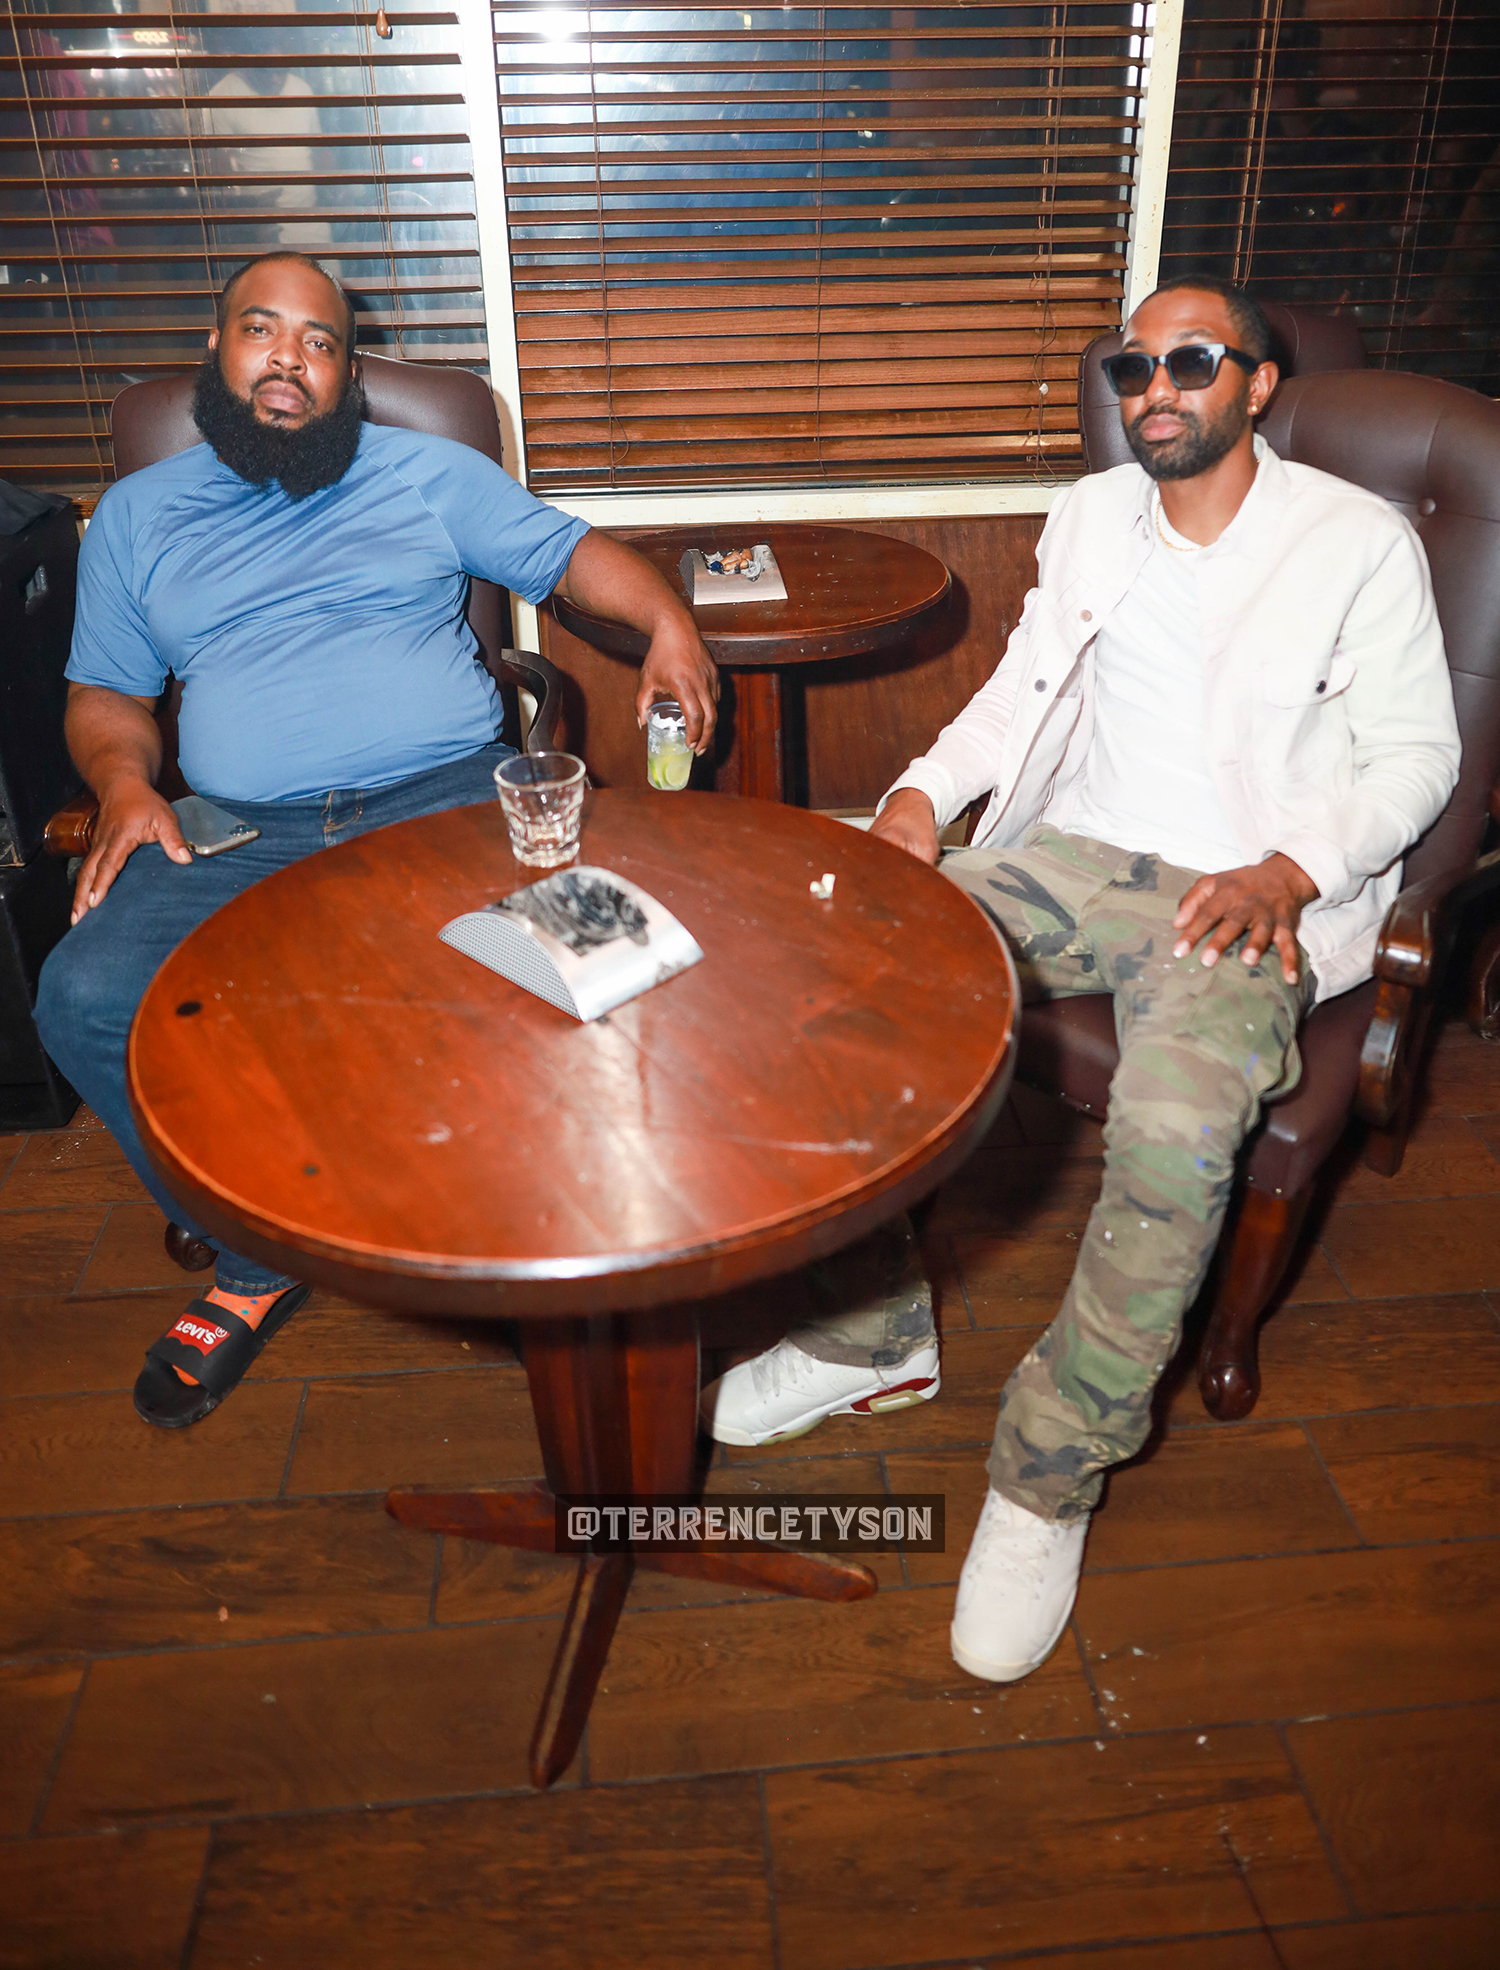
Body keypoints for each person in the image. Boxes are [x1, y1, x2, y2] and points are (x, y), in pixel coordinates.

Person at [702, 275, 1460, 1684]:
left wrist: (1294, 868)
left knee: (1174, 1134)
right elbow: (1021, 686)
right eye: (1134, 367)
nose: (1156, 389)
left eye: (1191, 362)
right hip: (1071, 853)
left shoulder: (1356, 543)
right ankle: (870, 1337)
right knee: (831, 982)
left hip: (1242, 895)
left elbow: (1420, 756)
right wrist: (921, 795)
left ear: (1258, 386)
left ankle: (1048, 1478)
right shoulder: (1094, 514)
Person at [36, 252, 718, 1431]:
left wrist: (668, 624)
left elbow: (571, 557)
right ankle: (256, 1257)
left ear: (348, 376)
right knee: (82, 995)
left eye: (319, 342)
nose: (289, 359)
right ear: (216, 352)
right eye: (262, 330)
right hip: (238, 831)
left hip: (449, 799)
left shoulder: (425, 472)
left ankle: (602, 1237)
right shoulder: (139, 516)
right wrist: (124, 782)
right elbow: (105, 693)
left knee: (627, 962)